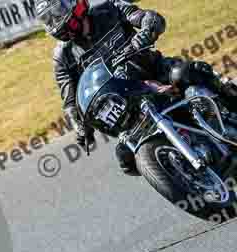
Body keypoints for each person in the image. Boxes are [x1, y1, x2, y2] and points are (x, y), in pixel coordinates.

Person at [36, 0, 237, 175]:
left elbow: (150, 18)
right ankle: (188, 179)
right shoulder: (63, 57)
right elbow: (70, 101)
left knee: (190, 73)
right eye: (49, 19)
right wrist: (80, 126)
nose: (55, 22)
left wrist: (146, 31)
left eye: (56, 14)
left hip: (156, 71)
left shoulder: (110, 8)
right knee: (125, 159)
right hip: (127, 101)